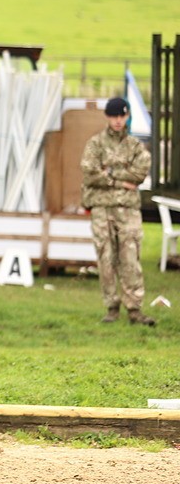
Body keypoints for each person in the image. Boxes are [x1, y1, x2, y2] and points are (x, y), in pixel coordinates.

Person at [80, 96, 155, 326]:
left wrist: (108, 172)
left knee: (130, 258)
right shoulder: (95, 144)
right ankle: (111, 307)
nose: (118, 121)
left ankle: (135, 309)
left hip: (128, 210)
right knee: (106, 258)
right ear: (107, 117)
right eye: (114, 116)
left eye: (122, 116)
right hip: (102, 210)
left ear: (128, 116)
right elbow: (89, 173)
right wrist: (119, 181)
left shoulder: (134, 147)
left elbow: (140, 173)